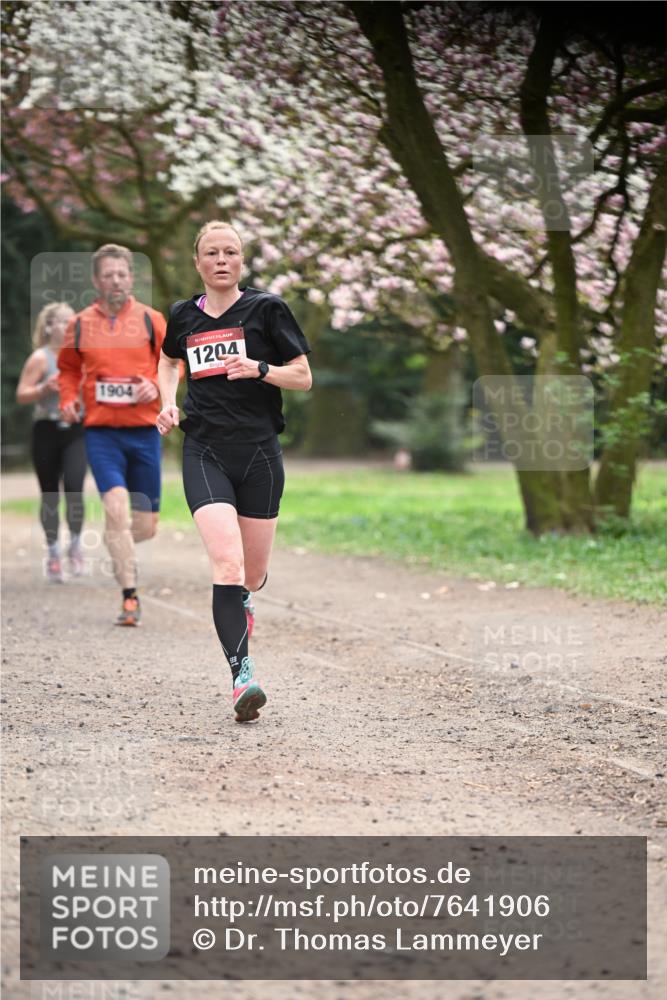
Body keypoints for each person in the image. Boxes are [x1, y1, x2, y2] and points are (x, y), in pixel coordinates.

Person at [156, 221, 312, 722]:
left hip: (261, 453)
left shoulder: (267, 309)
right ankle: (242, 676)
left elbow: (304, 377)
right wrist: (167, 404)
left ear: (242, 261)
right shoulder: (182, 315)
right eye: (211, 253)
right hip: (205, 450)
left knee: (252, 574)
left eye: (231, 252)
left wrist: (260, 369)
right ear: (197, 262)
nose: (222, 260)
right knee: (226, 566)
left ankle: (244, 600)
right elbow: (168, 362)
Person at [58, 245, 167, 625]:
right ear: (96, 280)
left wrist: (155, 384)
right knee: (116, 508)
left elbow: (173, 365)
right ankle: (130, 598)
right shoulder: (80, 323)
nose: (115, 280)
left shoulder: (153, 321)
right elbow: (68, 370)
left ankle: (116, 541)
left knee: (145, 528)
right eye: (108, 274)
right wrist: (69, 399)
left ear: (131, 278)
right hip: (102, 434)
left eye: (121, 274)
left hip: (146, 434)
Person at [16, 302, 87, 582]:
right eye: (61, 321)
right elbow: (22, 394)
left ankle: (76, 547)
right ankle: (54, 553)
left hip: (76, 429)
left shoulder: (81, 356)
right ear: (48, 326)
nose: (67, 325)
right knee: (49, 494)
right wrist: (43, 388)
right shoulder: (40, 359)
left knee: (74, 488)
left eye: (72, 320)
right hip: (46, 429)